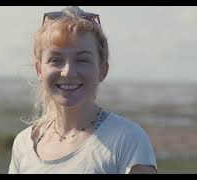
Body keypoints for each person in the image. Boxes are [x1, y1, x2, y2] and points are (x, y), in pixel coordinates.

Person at [8, 6, 157, 174]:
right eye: (56, 60)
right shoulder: (24, 144)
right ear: (39, 70)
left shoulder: (127, 139)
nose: (68, 72)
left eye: (82, 60)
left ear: (102, 70)